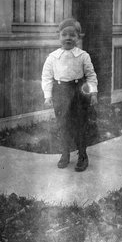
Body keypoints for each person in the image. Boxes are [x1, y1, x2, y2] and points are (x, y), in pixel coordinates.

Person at [41, 18, 98, 172]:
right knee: (63, 124)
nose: (68, 38)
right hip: (60, 92)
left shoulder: (83, 56)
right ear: (58, 37)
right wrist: (48, 95)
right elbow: (46, 77)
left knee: (80, 123)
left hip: (79, 92)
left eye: (72, 35)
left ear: (78, 37)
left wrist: (93, 93)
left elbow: (91, 75)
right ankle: (65, 154)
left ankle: (82, 156)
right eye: (64, 34)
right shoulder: (53, 57)